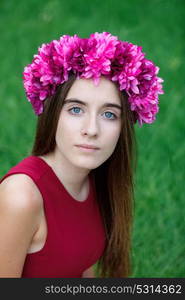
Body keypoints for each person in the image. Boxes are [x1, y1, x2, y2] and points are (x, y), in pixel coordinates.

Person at [0, 32, 163, 278]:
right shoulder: (21, 197)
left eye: (109, 114)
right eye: (76, 109)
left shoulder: (94, 179)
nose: (91, 130)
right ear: (53, 115)